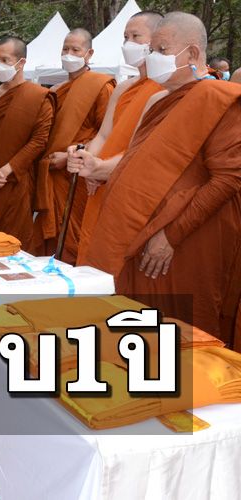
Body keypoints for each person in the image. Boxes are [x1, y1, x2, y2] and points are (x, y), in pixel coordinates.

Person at [87, 12, 241, 348]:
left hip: (184, 240)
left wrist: (171, 235)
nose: (152, 57)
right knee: (137, 329)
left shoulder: (218, 99)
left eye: (162, 49)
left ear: (193, 54)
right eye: (152, 49)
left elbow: (228, 180)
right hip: (141, 235)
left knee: (179, 335)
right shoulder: (160, 100)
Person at [68, 11, 164, 264]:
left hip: (131, 184)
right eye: (125, 37)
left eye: (135, 36)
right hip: (100, 182)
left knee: (119, 257)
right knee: (93, 251)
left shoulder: (166, 88)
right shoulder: (123, 88)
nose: (128, 43)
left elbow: (146, 148)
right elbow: (104, 134)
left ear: (157, 40)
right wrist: (89, 161)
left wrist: (101, 168)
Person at [30, 28, 115, 263]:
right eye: (65, 49)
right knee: (51, 236)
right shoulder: (55, 91)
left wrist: (70, 157)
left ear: (89, 53)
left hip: (79, 174)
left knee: (74, 234)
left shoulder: (101, 87)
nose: (69, 54)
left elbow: (108, 135)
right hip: (53, 175)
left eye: (75, 50)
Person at [0, 36, 54, 248]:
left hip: (17, 180)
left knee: (14, 243)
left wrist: (7, 170)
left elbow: (39, 141)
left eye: (5, 60)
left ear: (21, 62)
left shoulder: (39, 96)